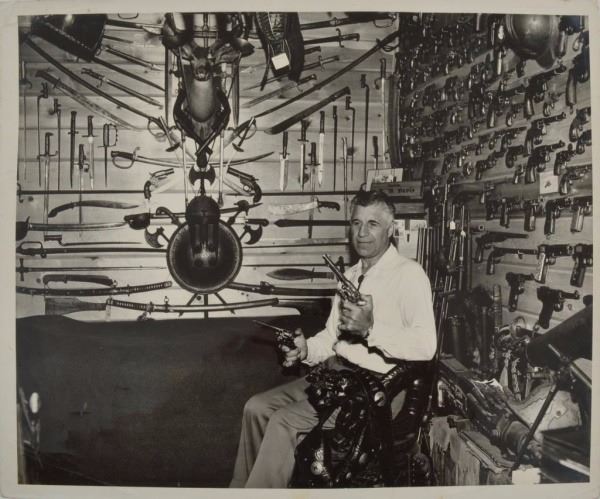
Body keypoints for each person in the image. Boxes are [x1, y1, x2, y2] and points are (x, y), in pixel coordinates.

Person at [230, 189, 437, 488]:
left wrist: (370, 330)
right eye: (356, 223)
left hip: (378, 390)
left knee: (283, 422)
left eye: (373, 224)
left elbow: (426, 346)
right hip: (335, 375)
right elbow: (331, 338)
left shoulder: (410, 275)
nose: (362, 233)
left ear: (391, 229)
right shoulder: (350, 276)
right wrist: (304, 350)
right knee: (256, 408)